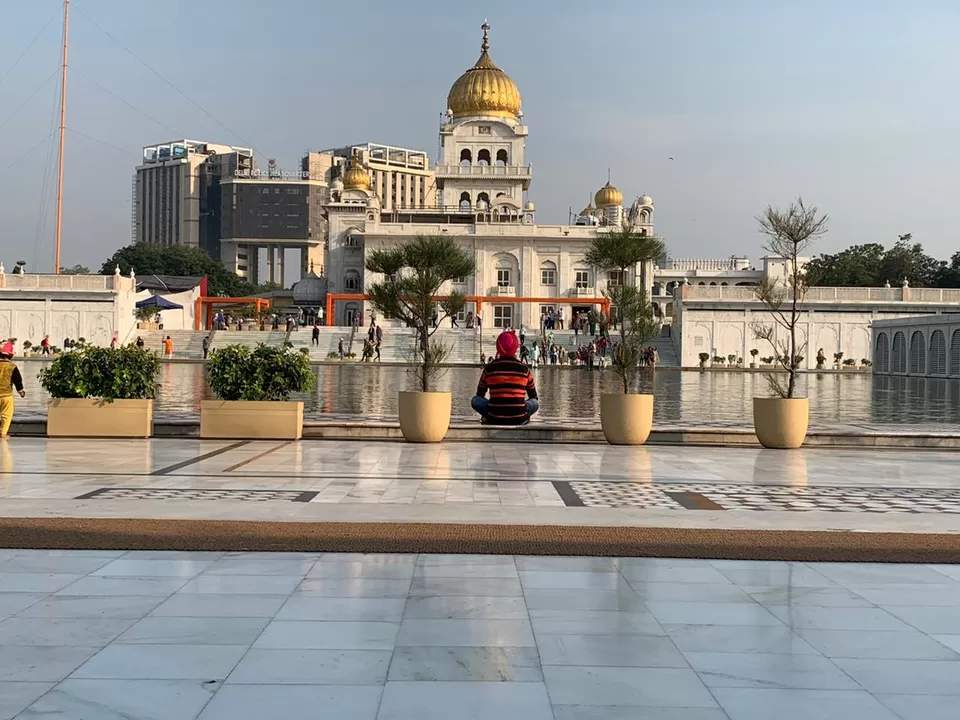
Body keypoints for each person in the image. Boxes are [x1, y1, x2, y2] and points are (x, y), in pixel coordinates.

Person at [471, 331, 539, 425]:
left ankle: (488, 416)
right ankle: (522, 415)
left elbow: (480, 394)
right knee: (535, 403)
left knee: (475, 400)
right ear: (515, 348)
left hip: (494, 417)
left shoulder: (489, 368)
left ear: (498, 347)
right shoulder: (524, 369)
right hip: (519, 418)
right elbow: (533, 396)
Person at [0, 342, 25, 438]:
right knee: (6, 415)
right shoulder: (12, 366)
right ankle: (2, 433)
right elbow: (17, 380)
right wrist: (21, 391)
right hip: (6, 396)